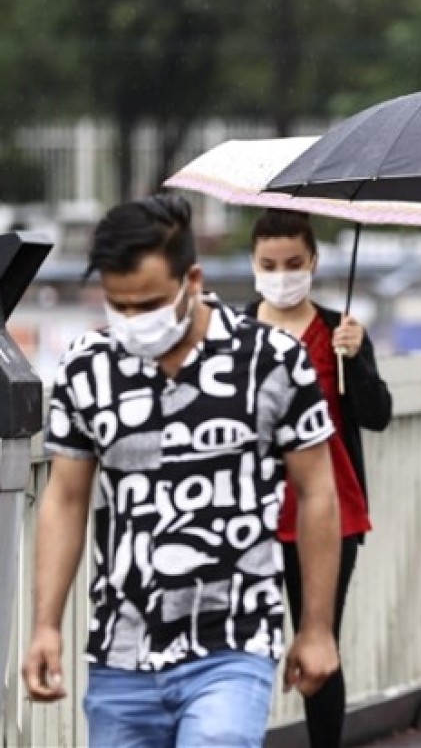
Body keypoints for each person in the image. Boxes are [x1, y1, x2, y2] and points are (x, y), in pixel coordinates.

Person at [23, 194, 341, 747]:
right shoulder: (87, 368)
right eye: (116, 306)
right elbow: (66, 500)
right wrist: (46, 625)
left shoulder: (273, 361)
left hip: (233, 639)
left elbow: (316, 492)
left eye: (147, 304)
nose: (130, 321)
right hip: (121, 648)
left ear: (191, 280)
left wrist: (316, 628)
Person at [244, 209, 392, 748]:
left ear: (314, 261)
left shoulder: (339, 331)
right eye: (269, 264)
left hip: (330, 512)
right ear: (253, 264)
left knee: (318, 640)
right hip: (248, 513)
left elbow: (378, 414)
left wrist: (358, 362)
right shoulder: (235, 333)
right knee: (242, 646)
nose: (281, 274)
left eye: (293, 263)